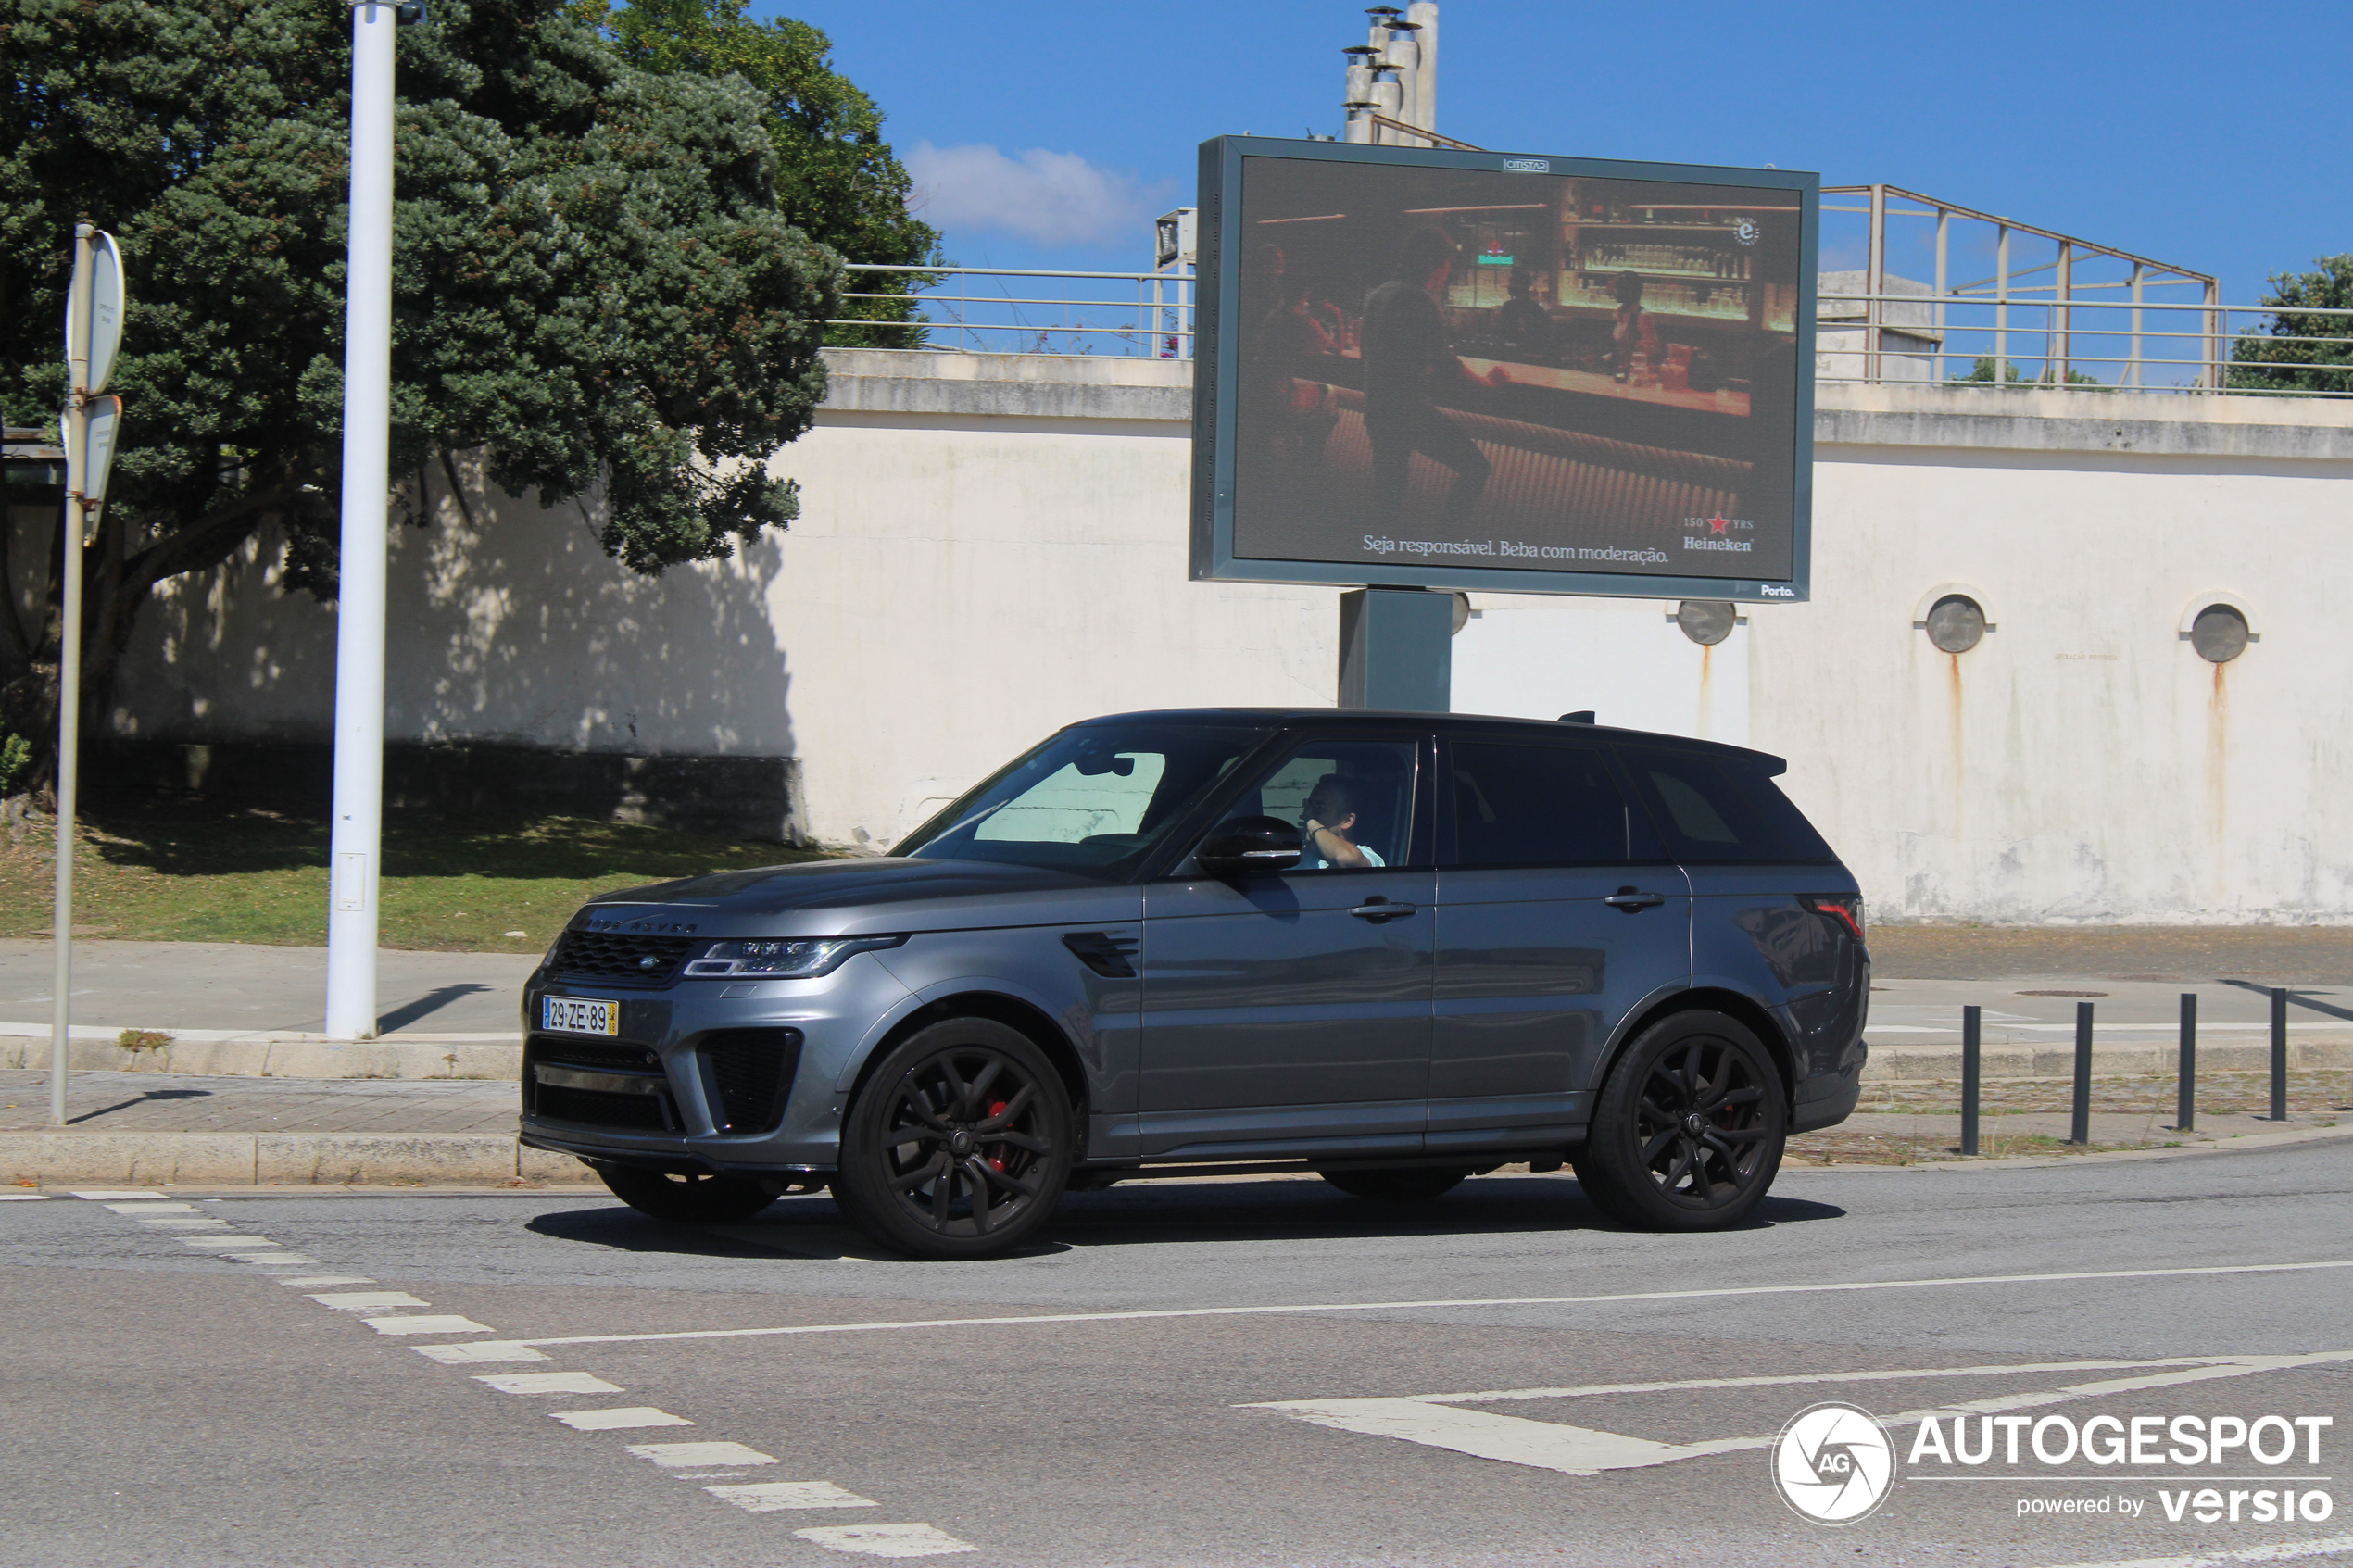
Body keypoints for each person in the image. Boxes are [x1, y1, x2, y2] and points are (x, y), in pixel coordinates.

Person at [1359, 226, 1509, 525]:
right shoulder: (1419, 299)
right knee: (1476, 468)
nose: (1449, 270)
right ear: (1434, 264)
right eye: (1447, 263)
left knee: (1389, 493)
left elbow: (1376, 350)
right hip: (1408, 410)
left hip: (1376, 407)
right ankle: (1447, 542)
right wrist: (1487, 382)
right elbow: (1446, 364)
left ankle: (1378, 552)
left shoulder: (1380, 293)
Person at [1300, 774, 1385, 869]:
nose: (1307, 812)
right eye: (1307, 804)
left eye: (1318, 806)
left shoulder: (1368, 856)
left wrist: (1314, 827)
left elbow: (1344, 858)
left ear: (1347, 821)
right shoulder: (1302, 857)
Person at [1610, 269, 1659, 384]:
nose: (1614, 292)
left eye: (1618, 288)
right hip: (1618, 373)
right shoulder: (1618, 313)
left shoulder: (1643, 316)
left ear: (1630, 290)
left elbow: (1654, 350)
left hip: (1636, 377)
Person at [1493, 263, 1552, 358]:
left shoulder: (1511, 307)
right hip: (1523, 355)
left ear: (1520, 285)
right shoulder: (1535, 308)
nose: (1508, 285)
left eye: (1512, 282)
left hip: (1520, 356)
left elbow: (1508, 334)